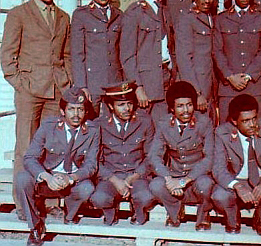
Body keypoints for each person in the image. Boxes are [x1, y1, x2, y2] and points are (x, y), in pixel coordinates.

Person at [1, 0, 72, 220]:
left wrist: (67, 83)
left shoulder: (63, 17)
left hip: (56, 91)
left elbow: (66, 55)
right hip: (30, 91)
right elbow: (7, 55)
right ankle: (24, 205)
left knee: (52, 148)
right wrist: (20, 84)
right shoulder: (19, 14)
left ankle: (50, 202)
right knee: (26, 148)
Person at [16, 87, 98, 246]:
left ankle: (70, 213)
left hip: (72, 181)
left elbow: (91, 165)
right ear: (62, 111)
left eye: (80, 110)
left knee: (87, 188)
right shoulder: (49, 126)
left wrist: (71, 178)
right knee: (22, 178)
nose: (76, 114)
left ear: (86, 112)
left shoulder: (92, 131)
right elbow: (30, 157)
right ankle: (35, 226)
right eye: (71, 109)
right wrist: (46, 176)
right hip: (49, 178)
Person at [212, 94, 261, 235]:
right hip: (238, 181)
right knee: (219, 195)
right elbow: (218, 169)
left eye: (254, 119)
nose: (252, 124)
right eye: (246, 121)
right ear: (234, 121)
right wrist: (238, 186)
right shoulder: (222, 133)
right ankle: (233, 217)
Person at [149, 81, 215, 230]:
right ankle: (175, 210)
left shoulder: (204, 123)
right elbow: (154, 156)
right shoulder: (164, 124)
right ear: (172, 108)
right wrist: (169, 179)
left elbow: (209, 158)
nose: (186, 110)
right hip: (174, 178)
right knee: (155, 185)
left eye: (189, 105)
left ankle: (203, 216)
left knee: (206, 184)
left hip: (195, 178)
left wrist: (185, 181)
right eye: (180, 106)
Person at [91, 81, 155, 226]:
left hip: (136, 175)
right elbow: (95, 161)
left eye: (130, 103)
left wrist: (133, 177)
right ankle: (111, 209)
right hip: (111, 177)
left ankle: (138, 208)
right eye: (121, 105)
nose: (127, 108)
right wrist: (115, 181)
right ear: (110, 106)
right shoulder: (98, 125)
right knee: (99, 198)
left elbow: (151, 157)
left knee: (146, 197)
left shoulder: (144, 121)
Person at [120, 0, 176, 122]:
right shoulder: (134, 13)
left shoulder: (165, 10)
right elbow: (127, 56)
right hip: (146, 85)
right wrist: (138, 87)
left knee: (163, 130)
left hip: (166, 80)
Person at [213, 0, 261, 122]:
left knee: (255, 129)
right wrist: (229, 76)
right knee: (227, 130)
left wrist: (248, 76)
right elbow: (217, 51)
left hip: (254, 85)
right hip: (228, 87)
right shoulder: (221, 19)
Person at [71, 0, 123, 116]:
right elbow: (77, 54)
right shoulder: (81, 15)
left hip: (114, 82)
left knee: (112, 125)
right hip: (92, 83)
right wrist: (82, 85)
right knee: (91, 123)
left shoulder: (119, 15)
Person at [176, 0, 220, 118]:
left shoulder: (212, 17)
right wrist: (196, 92)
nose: (207, 0)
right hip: (196, 86)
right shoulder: (187, 18)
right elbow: (184, 59)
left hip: (210, 85)